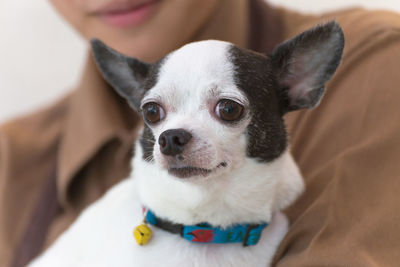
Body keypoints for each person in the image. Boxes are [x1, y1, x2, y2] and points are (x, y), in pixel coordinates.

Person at [1, 0, 400, 266]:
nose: (173, 135)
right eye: (156, 113)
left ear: (298, 84)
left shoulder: (377, 63)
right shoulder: (12, 159)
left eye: (226, 110)